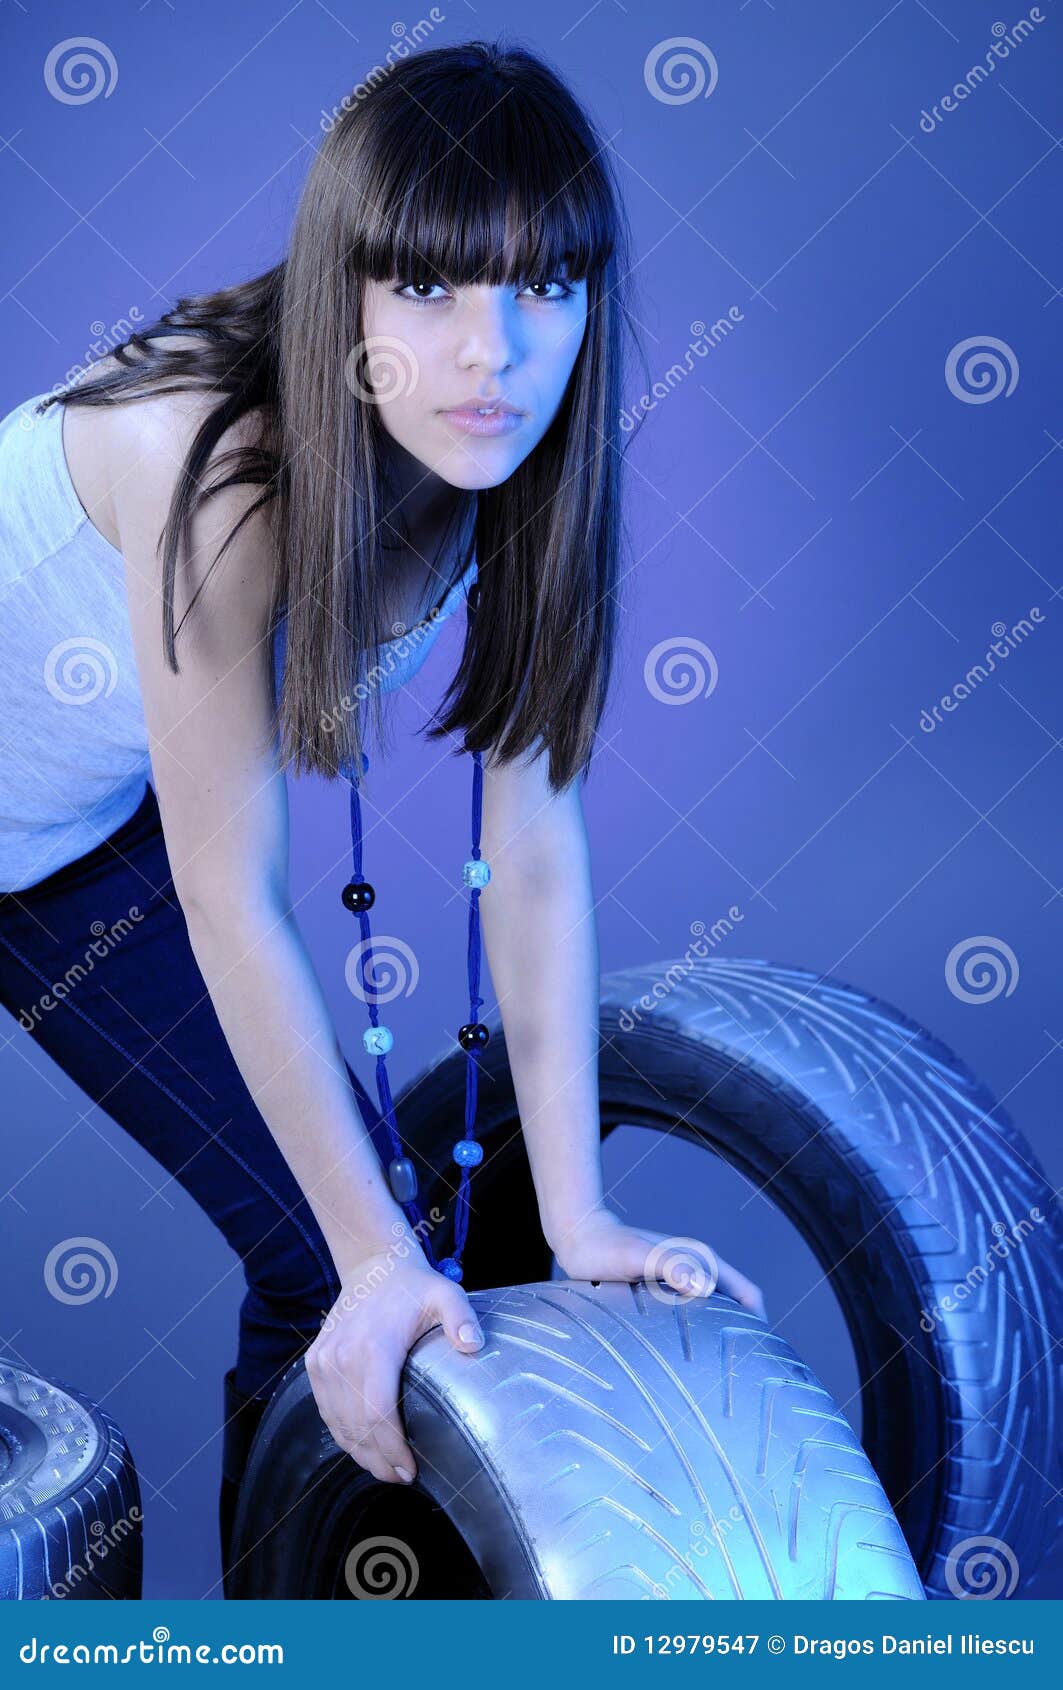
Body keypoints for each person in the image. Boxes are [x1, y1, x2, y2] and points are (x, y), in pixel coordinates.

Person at [0, 38, 764, 1592]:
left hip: (65, 834)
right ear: (340, 295)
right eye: (427, 288)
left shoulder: (519, 475)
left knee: (391, 1263)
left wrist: (581, 1209)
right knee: (358, 1256)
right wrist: (369, 1254)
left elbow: (533, 851)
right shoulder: (210, 462)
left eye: (543, 285)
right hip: (86, 836)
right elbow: (231, 892)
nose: (493, 351)